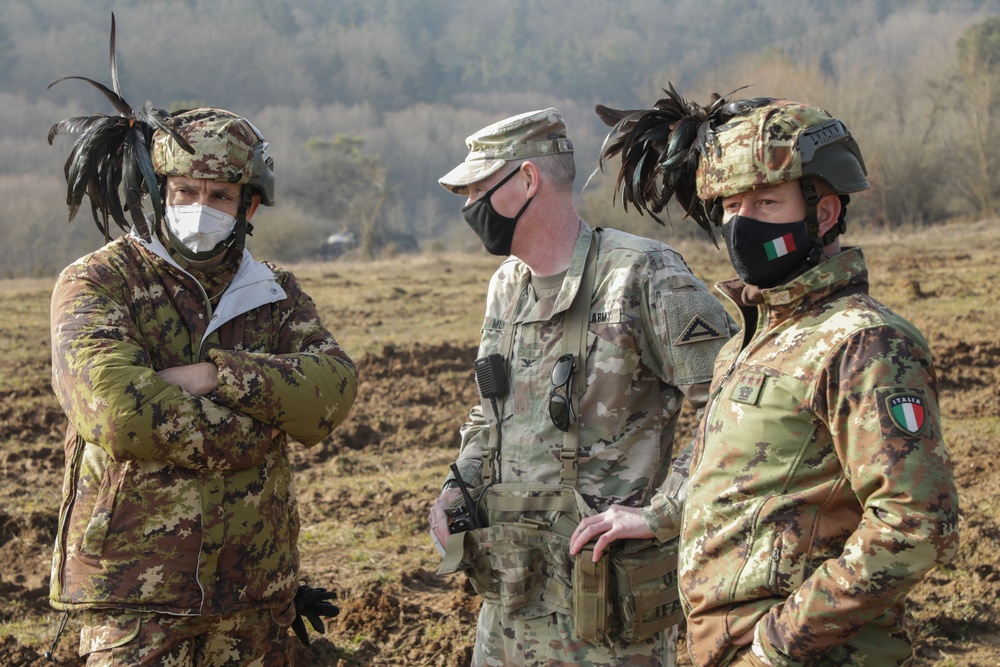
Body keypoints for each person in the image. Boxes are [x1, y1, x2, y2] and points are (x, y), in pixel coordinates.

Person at [595, 91, 960, 666]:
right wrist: (659, 515)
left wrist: (776, 645)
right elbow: (734, 457)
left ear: (824, 213)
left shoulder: (863, 342)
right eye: (732, 206)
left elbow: (916, 523)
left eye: (766, 202)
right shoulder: (756, 334)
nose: (742, 224)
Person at [47, 92, 358, 663]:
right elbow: (117, 412)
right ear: (160, 192)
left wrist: (216, 376)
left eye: (220, 196)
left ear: (249, 207)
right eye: (185, 192)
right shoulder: (99, 281)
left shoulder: (274, 293)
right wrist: (261, 429)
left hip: (251, 591)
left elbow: (331, 393)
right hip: (134, 590)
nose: (199, 206)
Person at [427, 107, 733, 666]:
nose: (468, 207)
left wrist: (662, 512)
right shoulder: (506, 286)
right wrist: (458, 486)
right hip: (510, 601)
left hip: (605, 614)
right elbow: (490, 414)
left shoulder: (643, 273)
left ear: (526, 180)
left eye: (477, 188)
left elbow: (738, 408)